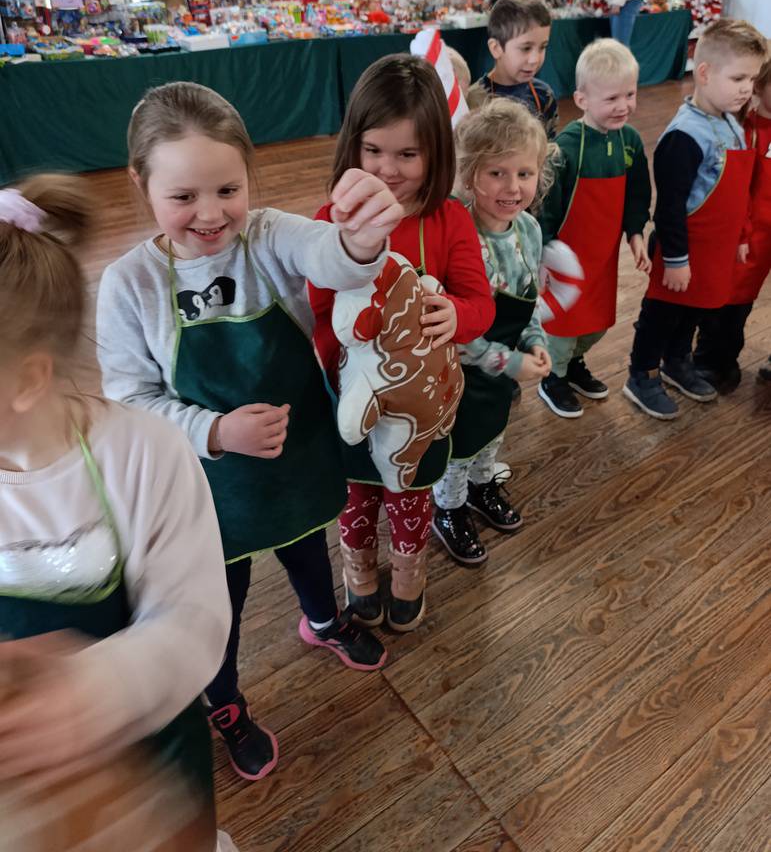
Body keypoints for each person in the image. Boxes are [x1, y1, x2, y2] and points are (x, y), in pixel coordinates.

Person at [96, 82, 403, 782]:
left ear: (248, 178)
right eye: (183, 197)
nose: (210, 214)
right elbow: (130, 401)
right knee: (217, 601)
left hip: (295, 455)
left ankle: (322, 622)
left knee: (307, 545)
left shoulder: (266, 236)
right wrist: (214, 430)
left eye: (228, 190)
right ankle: (224, 697)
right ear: (139, 183)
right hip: (207, 482)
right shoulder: (130, 285)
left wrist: (359, 237)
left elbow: (330, 255)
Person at [0, 175, 233, 849]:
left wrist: (93, 688)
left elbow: (194, 622)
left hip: (151, 767)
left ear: (29, 379)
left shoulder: (144, 454)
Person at [310, 54, 495, 631]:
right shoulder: (330, 219)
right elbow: (319, 312)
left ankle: (409, 572)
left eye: (407, 155)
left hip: (421, 412)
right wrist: (337, 371)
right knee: (356, 494)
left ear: (436, 153)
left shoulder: (450, 220)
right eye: (373, 151)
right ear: (352, 145)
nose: (387, 170)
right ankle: (359, 569)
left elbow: (481, 304)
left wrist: (457, 315)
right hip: (351, 400)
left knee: (410, 495)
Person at [623, 19, 767, 418]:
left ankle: (676, 361)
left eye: (752, 79)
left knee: (695, 311)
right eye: (738, 78)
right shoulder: (684, 136)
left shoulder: (731, 122)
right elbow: (669, 208)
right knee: (662, 315)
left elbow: (738, 193)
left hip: (714, 250)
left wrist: (741, 236)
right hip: (682, 250)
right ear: (704, 73)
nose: (747, 88)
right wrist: (676, 260)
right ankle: (642, 374)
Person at [432, 99, 552, 565]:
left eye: (524, 173)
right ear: (468, 175)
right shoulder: (460, 236)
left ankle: (482, 486)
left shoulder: (530, 230)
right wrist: (511, 362)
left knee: (492, 434)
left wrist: (535, 341)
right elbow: (457, 334)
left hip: (502, 367)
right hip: (463, 370)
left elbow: (528, 297)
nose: (513, 187)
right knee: (458, 446)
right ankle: (449, 507)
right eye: (497, 173)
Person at [538, 39, 652, 418]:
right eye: (612, 98)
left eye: (630, 94)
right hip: (566, 257)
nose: (623, 106)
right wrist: (544, 251)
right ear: (582, 99)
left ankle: (574, 364)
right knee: (564, 322)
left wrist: (636, 233)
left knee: (597, 320)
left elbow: (637, 194)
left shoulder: (630, 141)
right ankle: (552, 376)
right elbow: (547, 206)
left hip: (604, 256)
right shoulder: (565, 148)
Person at [692, 51, 771, 390]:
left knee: (741, 303)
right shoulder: (744, 130)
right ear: (761, 86)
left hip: (765, 239)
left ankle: (725, 358)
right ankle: (711, 361)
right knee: (727, 302)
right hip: (745, 236)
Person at [477, 0, 559, 139]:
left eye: (542, 47)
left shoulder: (544, 95)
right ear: (496, 48)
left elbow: (550, 147)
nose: (535, 59)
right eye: (526, 48)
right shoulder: (474, 100)